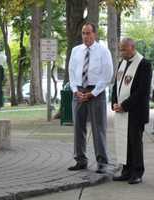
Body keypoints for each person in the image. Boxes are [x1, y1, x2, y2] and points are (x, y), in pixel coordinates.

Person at [68, 22, 113, 173]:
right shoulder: (76, 51)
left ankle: (102, 162)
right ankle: (80, 160)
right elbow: (71, 72)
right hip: (79, 92)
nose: (86, 36)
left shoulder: (103, 51)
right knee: (78, 128)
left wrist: (92, 93)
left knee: (98, 128)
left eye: (88, 33)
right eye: (83, 33)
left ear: (95, 34)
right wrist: (75, 90)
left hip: (96, 93)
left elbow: (107, 75)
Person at [111, 38, 152, 184]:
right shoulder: (122, 63)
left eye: (123, 49)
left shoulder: (144, 64)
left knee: (135, 143)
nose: (121, 52)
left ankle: (137, 172)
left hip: (136, 112)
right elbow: (116, 85)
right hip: (122, 111)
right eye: (120, 49)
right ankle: (126, 170)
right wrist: (115, 102)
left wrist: (125, 105)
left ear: (132, 47)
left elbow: (142, 91)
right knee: (124, 141)